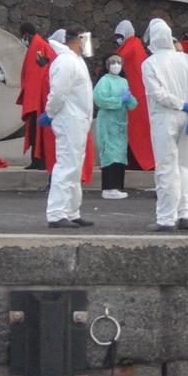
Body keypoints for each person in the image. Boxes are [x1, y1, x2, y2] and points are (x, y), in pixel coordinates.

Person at [142, 18, 188, 231]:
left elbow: (157, 94)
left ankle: (166, 218)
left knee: (166, 168)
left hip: (164, 117)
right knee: (185, 167)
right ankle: (186, 214)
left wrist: (180, 105)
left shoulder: (149, 63)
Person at [40, 27, 93, 228]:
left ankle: (71, 211)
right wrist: (51, 112)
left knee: (75, 166)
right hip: (69, 119)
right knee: (66, 165)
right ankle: (56, 213)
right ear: (78, 40)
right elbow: (58, 93)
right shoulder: (65, 61)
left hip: (78, 120)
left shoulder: (75, 60)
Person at [110, 21, 157, 174]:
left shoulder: (132, 44)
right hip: (132, 95)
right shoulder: (131, 45)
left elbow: (117, 61)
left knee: (137, 131)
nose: (118, 39)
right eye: (116, 36)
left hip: (137, 95)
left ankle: (140, 162)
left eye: (120, 36)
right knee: (132, 130)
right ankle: (134, 161)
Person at [92, 53, 138, 199]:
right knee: (109, 153)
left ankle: (117, 186)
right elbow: (100, 99)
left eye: (119, 62)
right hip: (108, 123)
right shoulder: (104, 81)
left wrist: (130, 100)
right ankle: (108, 188)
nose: (116, 64)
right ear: (108, 65)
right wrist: (119, 100)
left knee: (119, 155)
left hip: (120, 123)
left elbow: (132, 104)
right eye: (113, 62)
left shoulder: (124, 82)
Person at [17, 20, 57, 171]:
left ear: (26, 35)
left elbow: (36, 74)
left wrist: (31, 99)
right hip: (38, 97)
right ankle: (38, 160)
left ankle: (38, 161)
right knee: (37, 131)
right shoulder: (39, 45)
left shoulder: (38, 47)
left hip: (39, 99)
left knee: (36, 131)